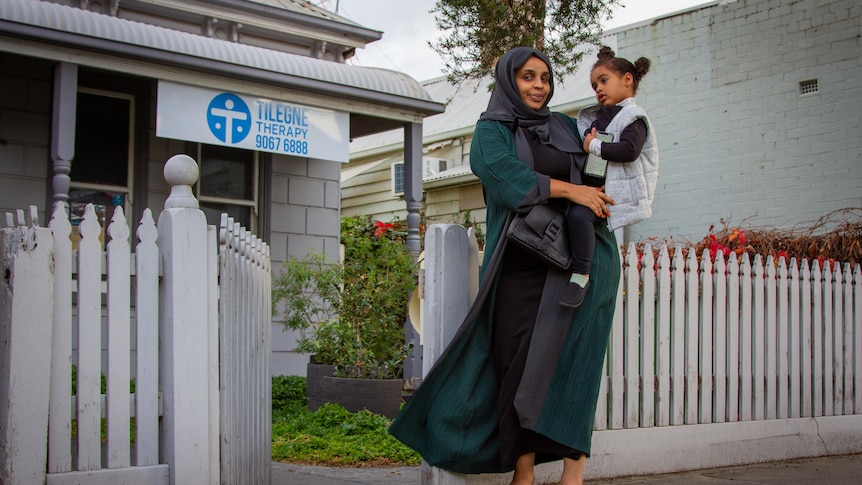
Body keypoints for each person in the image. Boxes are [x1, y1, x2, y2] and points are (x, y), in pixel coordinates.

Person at [389, 46, 620, 485]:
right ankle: (524, 471)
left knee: (576, 363)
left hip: (579, 262)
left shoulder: (567, 126)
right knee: (516, 364)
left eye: (545, 78)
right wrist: (571, 193)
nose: (539, 86)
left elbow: (598, 173)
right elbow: (502, 176)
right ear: (508, 80)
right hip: (521, 263)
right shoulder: (491, 130)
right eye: (528, 77)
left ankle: (574, 475)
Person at [561, 45, 660, 309]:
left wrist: (593, 145)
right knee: (571, 213)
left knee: (579, 215)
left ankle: (581, 274)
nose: (598, 89)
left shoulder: (634, 118)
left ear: (627, 79)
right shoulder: (601, 116)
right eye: (595, 85)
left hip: (614, 193)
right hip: (594, 186)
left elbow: (629, 151)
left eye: (604, 81)